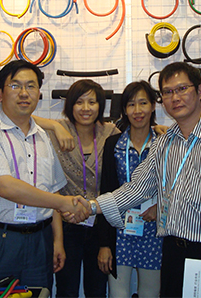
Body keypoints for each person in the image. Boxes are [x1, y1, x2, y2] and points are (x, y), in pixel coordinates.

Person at [81, 62, 201, 298]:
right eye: (167, 92)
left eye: (182, 89)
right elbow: (137, 188)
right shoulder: (164, 142)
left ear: (199, 90)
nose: (175, 97)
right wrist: (92, 206)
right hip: (172, 250)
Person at [0, 60, 90, 290]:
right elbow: (6, 187)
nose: (24, 93)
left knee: (39, 294)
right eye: (15, 86)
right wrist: (64, 203)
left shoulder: (43, 136)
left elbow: (52, 189)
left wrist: (57, 241)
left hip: (40, 241)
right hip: (0, 240)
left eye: (31, 86)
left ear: (38, 94)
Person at [45, 79, 120, 298]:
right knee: (66, 290)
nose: (86, 108)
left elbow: (139, 130)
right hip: (66, 224)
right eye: (79, 102)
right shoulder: (58, 131)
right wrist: (55, 126)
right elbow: (27, 118)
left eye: (92, 102)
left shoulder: (110, 132)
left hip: (101, 225)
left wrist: (159, 128)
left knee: (97, 290)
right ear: (70, 105)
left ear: (100, 106)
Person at [96, 81, 163, 298]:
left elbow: (176, 187)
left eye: (143, 103)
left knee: (150, 293)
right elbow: (106, 192)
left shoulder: (164, 144)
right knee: (118, 293)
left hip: (155, 231)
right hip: (120, 230)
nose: (137, 110)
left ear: (153, 106)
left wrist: (161, 207)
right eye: (131, 104)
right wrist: (104, 244)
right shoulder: (113, 145)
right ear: (124, 109)